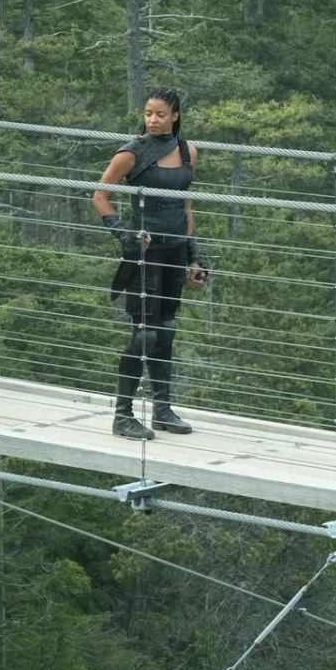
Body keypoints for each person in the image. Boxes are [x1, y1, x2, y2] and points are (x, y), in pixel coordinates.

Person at [92, 87, 204, 440]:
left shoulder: (188, 152)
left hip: (174, 250)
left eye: (159, 114)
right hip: (145, 252)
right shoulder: (132, 152)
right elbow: (100, 196)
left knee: (167, 330)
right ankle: (122, 415)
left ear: (175, 116)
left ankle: (162, 410)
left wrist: (193, 257)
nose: (152, 120)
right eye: (147, 114)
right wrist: (124, 234)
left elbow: (186, 207)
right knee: (145, 333)